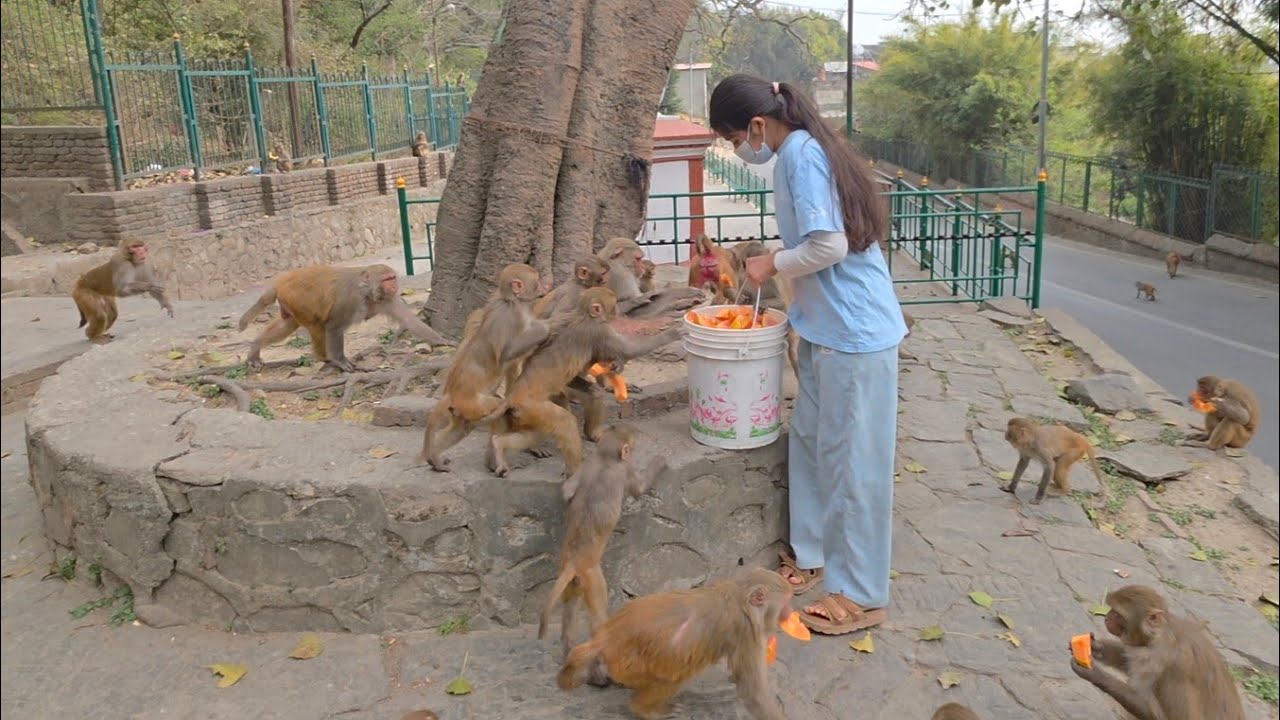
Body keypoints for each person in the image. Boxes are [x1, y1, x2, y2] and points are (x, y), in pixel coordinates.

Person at [708, 74, 907, 635]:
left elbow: (828, 245)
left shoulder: (800, 155)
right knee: (812, 442)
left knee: (855, 467)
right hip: (824, 329)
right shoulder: (802, 150)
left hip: (856, 335)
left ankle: (862, 594)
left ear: (756, 125)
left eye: (730, 140)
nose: (736, 151)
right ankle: (814, 552)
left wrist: (772, 262)